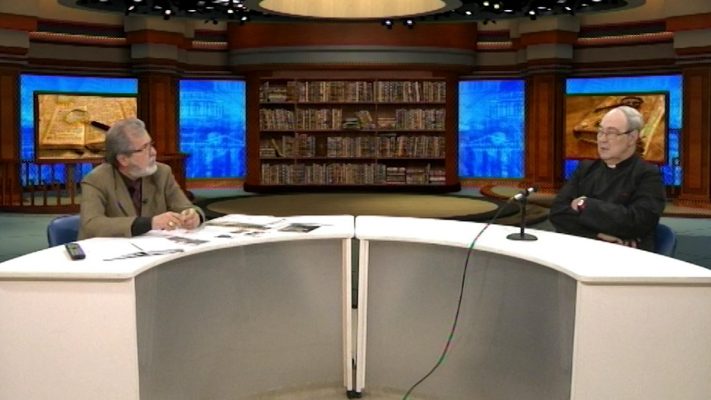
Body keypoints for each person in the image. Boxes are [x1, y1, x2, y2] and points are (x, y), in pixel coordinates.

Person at [549, 105, 666, 252]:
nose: (602, 139)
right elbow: (558, 213)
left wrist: (585, 204)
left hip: (627, 255)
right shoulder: (585, 169)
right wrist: (597, 236)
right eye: (600, 132)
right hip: (583, 250)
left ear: (632, 137)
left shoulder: (648, 175)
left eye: (611, 133)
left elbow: (635, 223)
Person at [78, 118, 202, 239]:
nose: (153, 152)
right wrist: (150, 223)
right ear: (123, 159)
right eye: (144, 148)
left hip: (153, 248)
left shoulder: (162, 173)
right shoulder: (96, 180)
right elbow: (91, 225)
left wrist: (194, 216)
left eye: (151, 145)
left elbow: (186, 207)